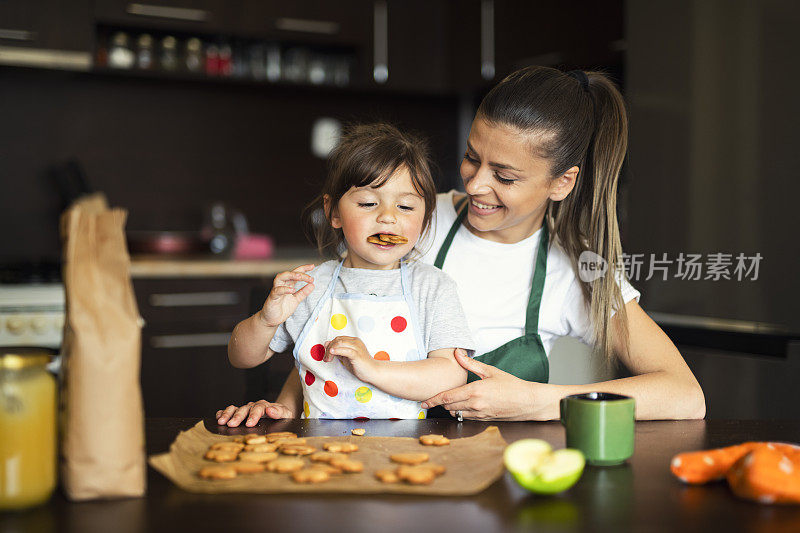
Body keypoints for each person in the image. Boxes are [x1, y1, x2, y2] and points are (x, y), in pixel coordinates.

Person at [218, 66, 705, 426]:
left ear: (562, 182)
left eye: (505, 176)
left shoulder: (577, 270)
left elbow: (684, 395)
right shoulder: (411, 215)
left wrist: (539, 400)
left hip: (492, 479)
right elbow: (332, 321)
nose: (474, 186)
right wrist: (286, 404)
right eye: (473, 158)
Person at [218, 123, 474, 424]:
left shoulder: (433, 288)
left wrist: (373, 369)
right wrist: (266, 319)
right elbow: (241, 357)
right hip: (319, 449)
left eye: (405, 206)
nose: (388, 216)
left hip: (405, 450)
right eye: (368, 203)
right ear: (334, 212)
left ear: (425, 219)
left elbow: (452, 376)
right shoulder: (312, 286)